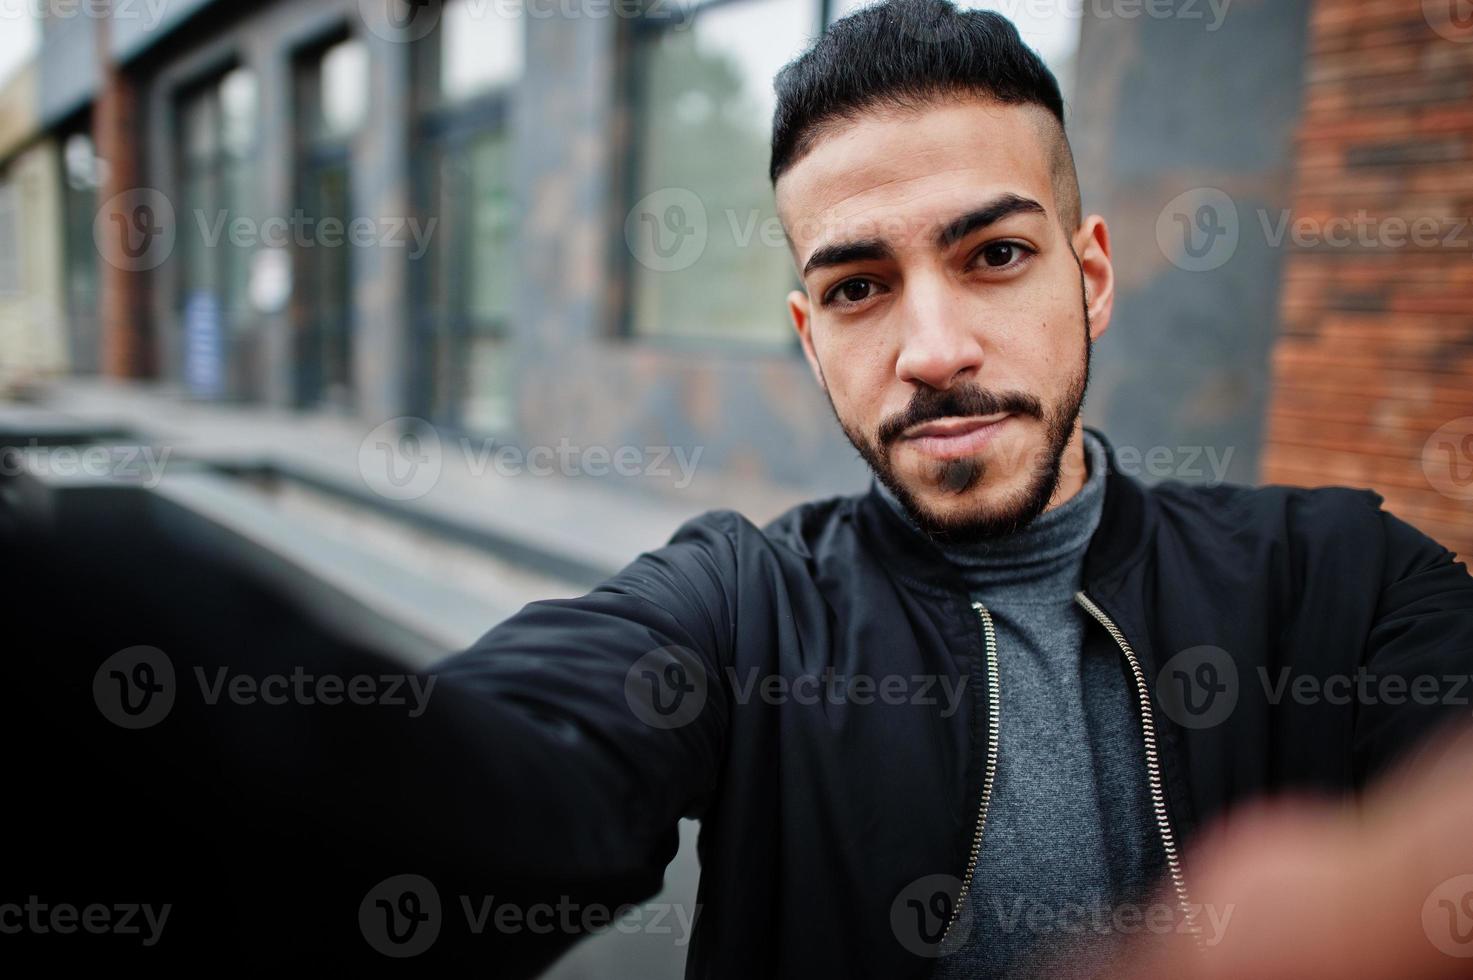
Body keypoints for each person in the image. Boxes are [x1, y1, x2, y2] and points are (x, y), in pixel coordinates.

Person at [435, 1, 1473, 976]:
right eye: (857, 288)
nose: (932, 351)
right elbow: (494, 772)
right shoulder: (746, 607)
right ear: (811, 339)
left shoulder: (1342, 576)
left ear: (1091, 278)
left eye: (997, 254)